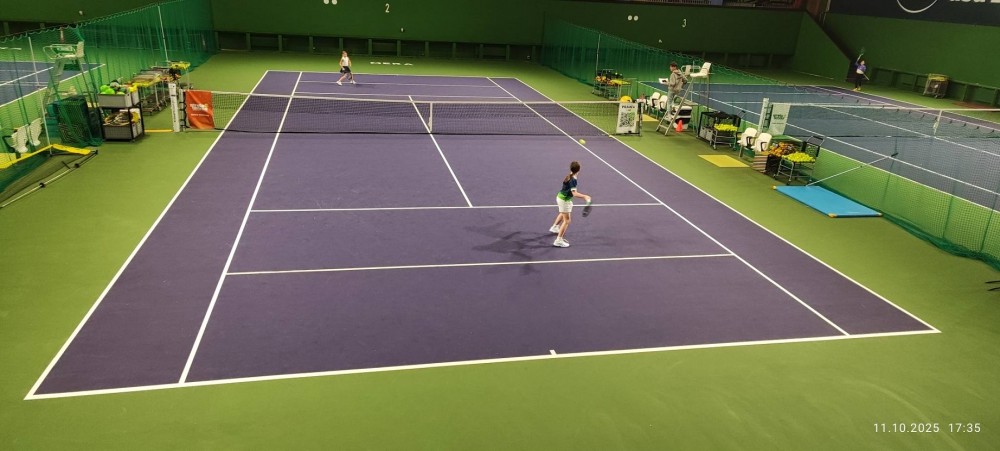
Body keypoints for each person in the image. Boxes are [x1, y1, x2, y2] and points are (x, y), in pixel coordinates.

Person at [549, 161, 591, 248]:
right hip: (564, 200)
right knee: (567, 221)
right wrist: (585, 196)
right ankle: (558, 240)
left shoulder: (570, 175)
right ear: (579, 170)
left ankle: (555, 227)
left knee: (563, 213)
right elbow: (574, 193)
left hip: (560, 197)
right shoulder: (573, 180)